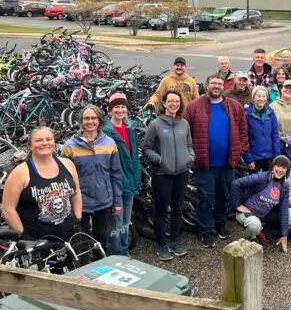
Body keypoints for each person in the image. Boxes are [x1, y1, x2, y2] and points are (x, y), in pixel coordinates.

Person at [184, 73, 249, 247]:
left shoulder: (234, 106)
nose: (216, 86)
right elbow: (185, 132)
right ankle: (206, 229)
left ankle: (220, 225)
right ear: (206, 85)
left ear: (224, 87)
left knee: (223, 196)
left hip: (228, 162)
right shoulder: (193, 107)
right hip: (203, 163)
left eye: (220, 83)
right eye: (213, 82)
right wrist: (190, 155)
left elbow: (243, 130)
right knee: (205, 198)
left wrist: (240, 150)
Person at [61, 105, 122, 253]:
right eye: (86, 118)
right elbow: (64, 178)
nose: (90, 121)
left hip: (104, 201)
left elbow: (116, 174)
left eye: (93, 118)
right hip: (80, 203)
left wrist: (117, 201)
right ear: (81, 121)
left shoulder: (109, 143)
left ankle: (103, 268)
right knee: (80, 243)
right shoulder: (70, 146)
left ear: (100, 121)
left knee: (103, 241)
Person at [2, 127, 82, 241]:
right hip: (39, 241)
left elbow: (76, 193)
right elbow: (7, 209)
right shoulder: (20, 172)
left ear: (54, 142)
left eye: (49, 139)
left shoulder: (67, 164)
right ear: (30, 145)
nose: (45, 143)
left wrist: (77, 219)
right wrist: (24, 236)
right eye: (39, 140)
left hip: (71, 235)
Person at [142, 91, 194, 260]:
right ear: (164, 103)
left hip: (182, 172)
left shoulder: (184, 123)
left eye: (176, 101)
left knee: (178, 209)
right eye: (170, 101)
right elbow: (147, 148)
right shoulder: (156, 124)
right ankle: (162, 245)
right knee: (161, 211)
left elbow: (189, 145)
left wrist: (190, 158)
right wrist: (160, 160)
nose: (174, 104)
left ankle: (174, 241)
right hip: (162, 173)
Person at [231, 156, 291, 251]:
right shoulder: (261, 177)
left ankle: (266, 234)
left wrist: (284, 235)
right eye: (278, 166)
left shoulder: (284, 186)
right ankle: (249, 242)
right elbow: (236, 184)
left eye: (284, 167)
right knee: (254, 225)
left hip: (265, 214)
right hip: (247, 212)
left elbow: (283, 210)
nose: (280, 170)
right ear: (272, 166)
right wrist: (237, 205)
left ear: (287, 171)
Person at [104, 93, 142, 256]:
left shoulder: (130, 127)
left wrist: (137, 176)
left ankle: (125, 251)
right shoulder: (106, 132)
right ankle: (117, 253)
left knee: (126, 221)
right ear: (110, 110)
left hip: (130, 179)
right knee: (116, 222)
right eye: (116, 107)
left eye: (123, 107)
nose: (120, 110)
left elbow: (134, 155)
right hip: (117, 181)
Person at [244, 86, 281, 173]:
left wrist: (276, 157)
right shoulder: (247, 115)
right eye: (259, 96)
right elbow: (245, 139)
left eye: (264, 96)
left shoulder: (271, 113)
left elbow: (275, 136)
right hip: (254, 157)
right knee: (255, 184)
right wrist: (249, 159)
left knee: (270, 183)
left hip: (270, 157)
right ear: (253, 98)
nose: (262, 99)